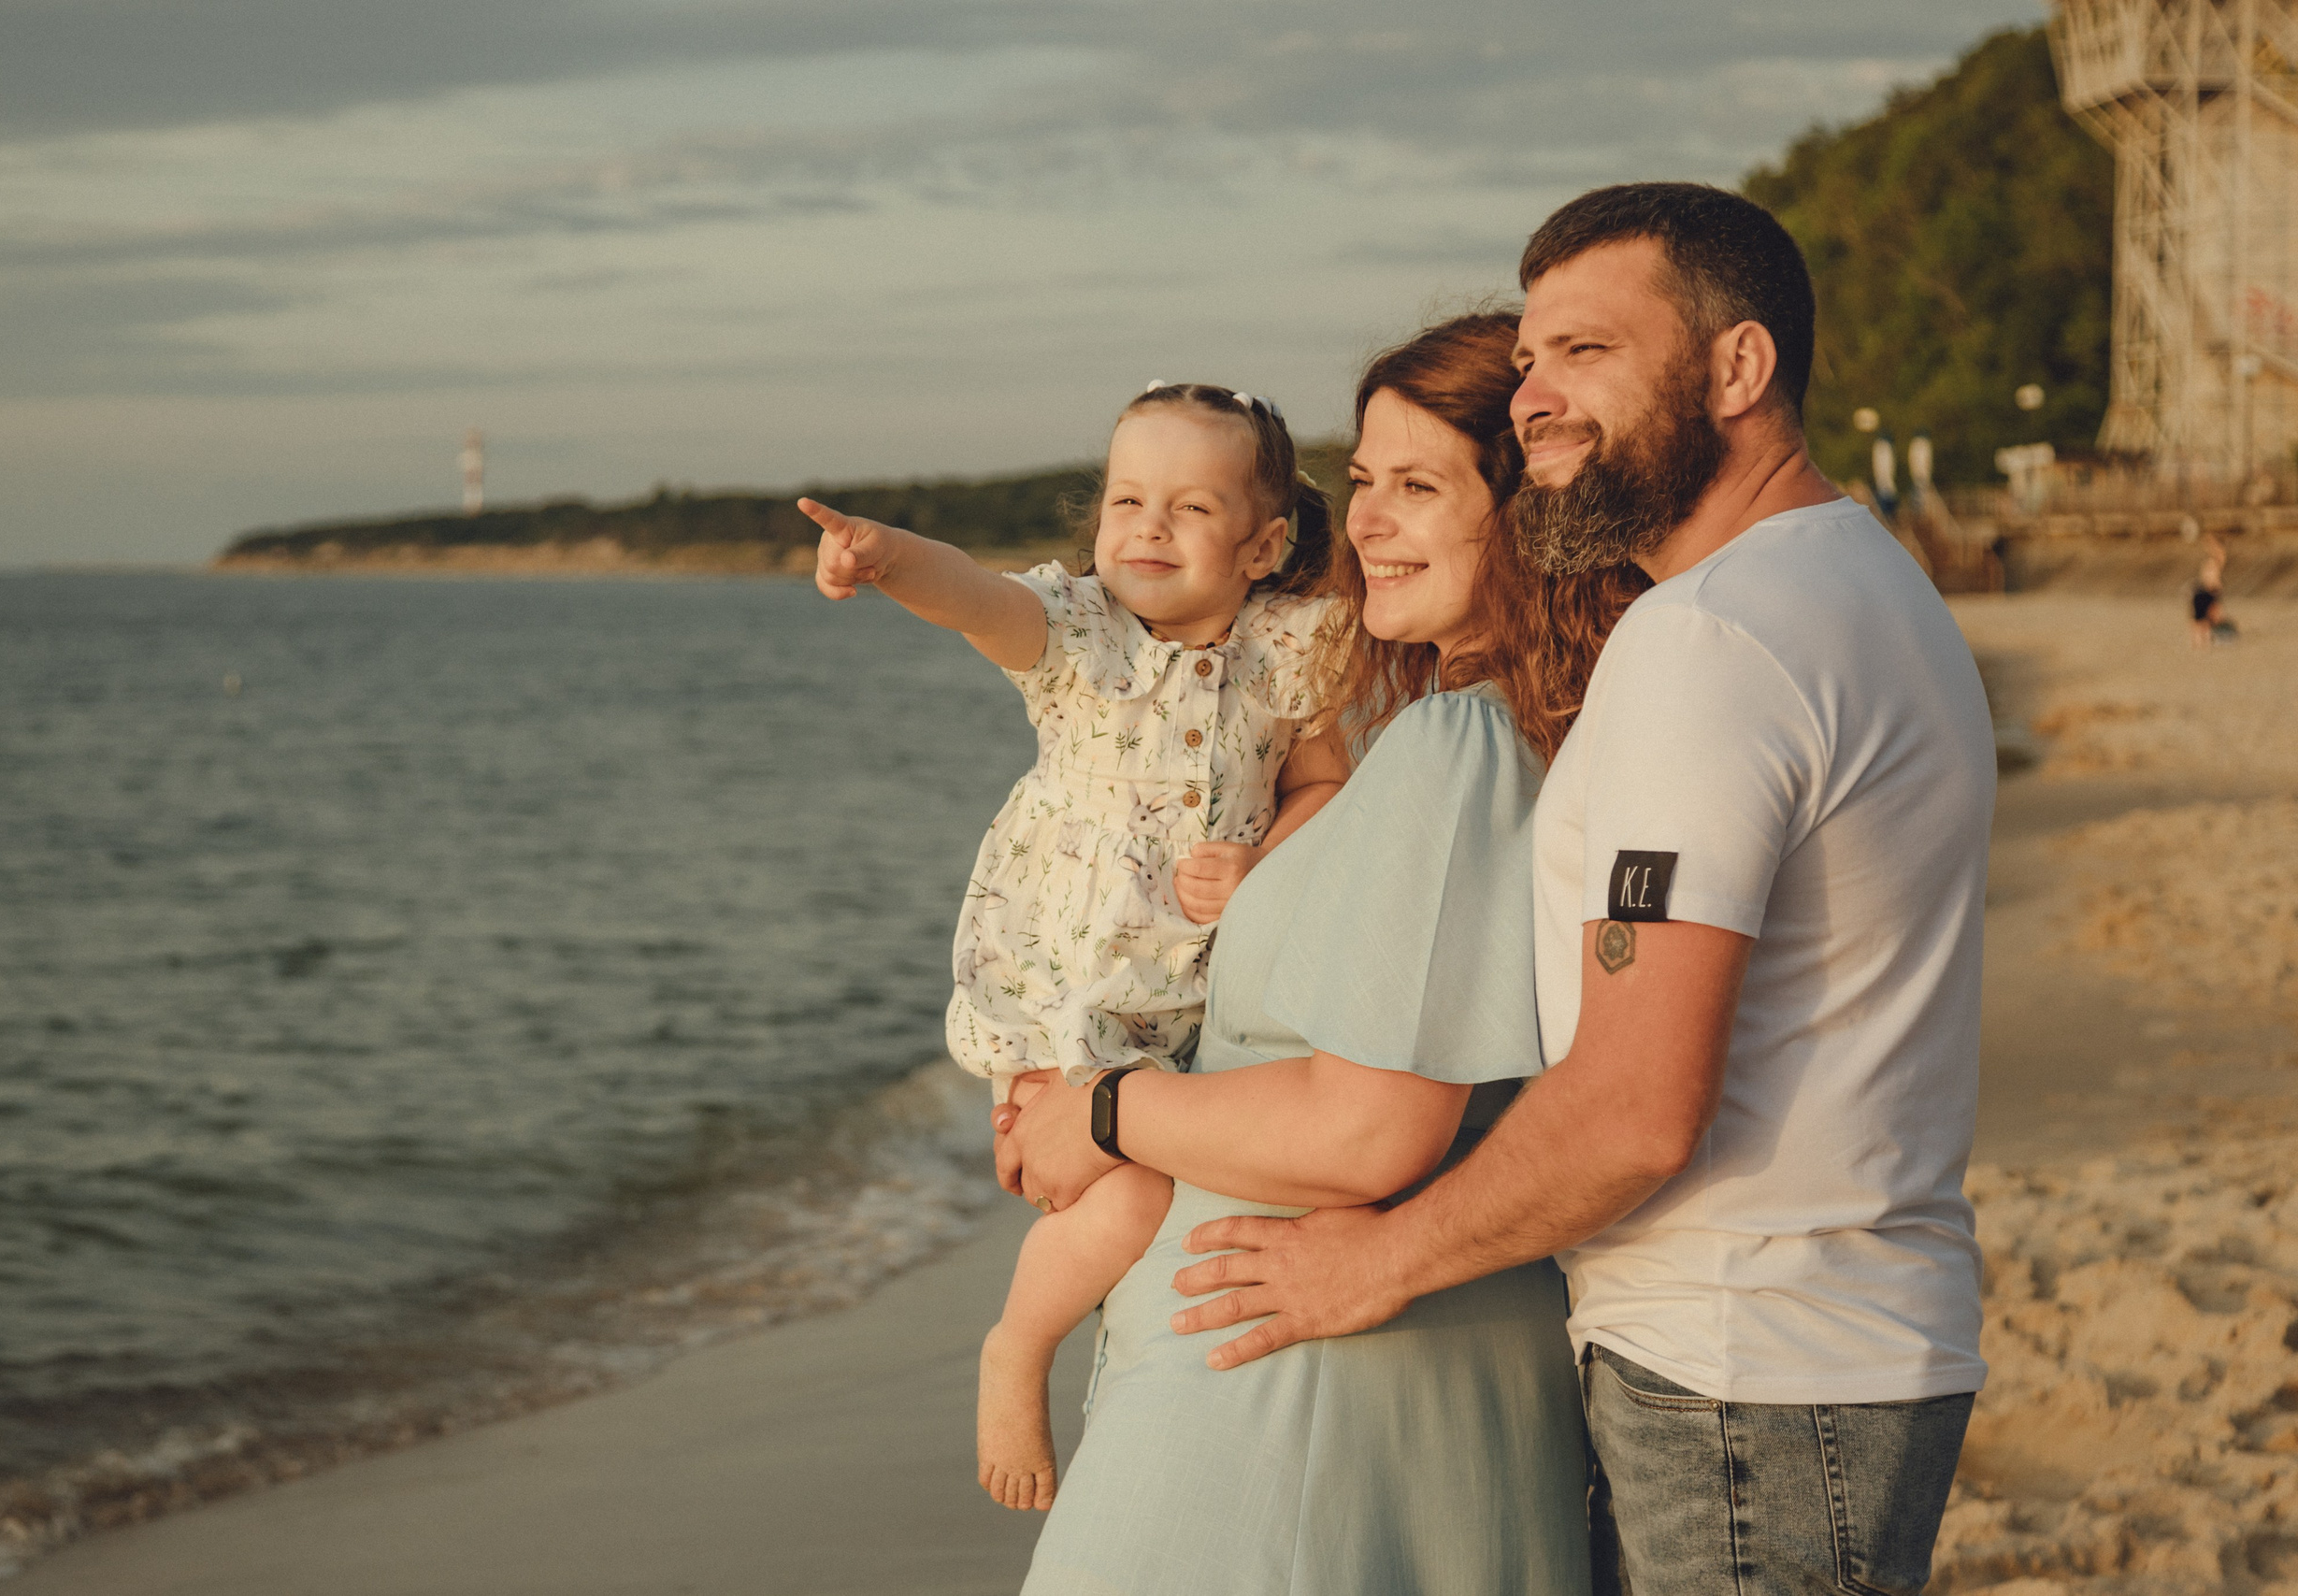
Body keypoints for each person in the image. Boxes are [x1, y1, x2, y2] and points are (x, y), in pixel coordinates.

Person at [1125, 184, 1998, 1596]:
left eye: (1589, 351)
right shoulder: (1863, 582)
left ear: (1738, 368)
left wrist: (1377, 1263)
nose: (1537, 399)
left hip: (1742, 1364)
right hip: (1839, 1341)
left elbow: (1637, 1103)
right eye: (1529, 360)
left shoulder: (1710, 641)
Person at [997, 312, 1647, 1595]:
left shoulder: (1463, 746)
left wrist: (1110, 1113)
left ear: (1523, 514)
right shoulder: (1490, 733)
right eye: (1362, 484)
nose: (1371, 525)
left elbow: (1371, 1129)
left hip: (1295, 1389)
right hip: (1341, 1362)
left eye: (1421, 486)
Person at [799, 382, 1348, 1512]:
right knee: (1129, 1199)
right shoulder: (1078, 634)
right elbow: (972, 598)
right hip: (1065, 988)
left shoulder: (1287, 652)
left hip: (1197, 1003)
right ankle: (1016, 1347)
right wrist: (888, 555)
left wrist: (1261, 862)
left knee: (1181, 1190)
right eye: (1127, 499)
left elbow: (1322, 781)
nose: (1147, 527)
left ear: (1263, 544)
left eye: (1190, 508)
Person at [2190, 531, 2235, 648]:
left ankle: (2209, 639)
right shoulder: (2211, 560)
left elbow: (2221, 552)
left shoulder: (2218, 560)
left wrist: (2212, 542)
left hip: (2211, 590)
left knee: (2210, 617)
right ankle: (2200, 641)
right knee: (2199, 618)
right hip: (2204, 589)